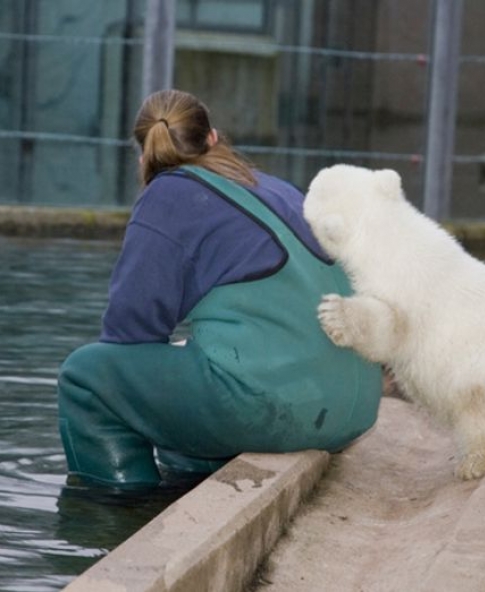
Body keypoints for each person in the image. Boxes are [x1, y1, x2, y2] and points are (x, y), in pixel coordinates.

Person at [56, 89, 382, 490]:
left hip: (279, 409)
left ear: (143, 157)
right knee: (187, 369)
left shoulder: (167, 194)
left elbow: (130, 331)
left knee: (87, 376)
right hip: (355, 406)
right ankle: (187, 486)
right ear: (213, 138)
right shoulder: (275, 188)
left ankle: (118, 510)